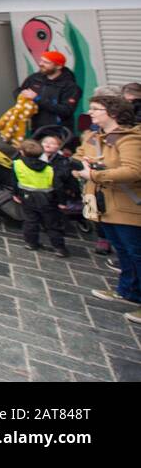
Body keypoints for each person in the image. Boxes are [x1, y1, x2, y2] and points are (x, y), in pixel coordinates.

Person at [72, 93, 141, 324]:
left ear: (112, 113)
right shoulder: (93, 137)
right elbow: (78, 156)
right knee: (122, 250)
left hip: (127, 205)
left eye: (95, 109)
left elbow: (134, 171)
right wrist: (79, 166)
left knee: (137, 253)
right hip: (103, 204)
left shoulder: (130, 139)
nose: (90, 113)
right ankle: (128, 291)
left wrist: (94, 173)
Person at [11, 140, 69, 257]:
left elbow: (14, 181)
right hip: (47, 199)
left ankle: (31, 243)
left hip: (27, 197)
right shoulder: (49, 169)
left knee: (30, 221)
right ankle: (59, 248)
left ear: (21, 152)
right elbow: (58, 186)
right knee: (52, 224)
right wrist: (62, 202)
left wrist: (15, 194)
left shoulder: (17, 164)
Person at [16, 51, 82, 137]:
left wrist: (37, 99)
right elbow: (19, 91)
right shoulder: (35, 78)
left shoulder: (70, 86)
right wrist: (22, 96)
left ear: (58, 66)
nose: (41, 64)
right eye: (41, 60)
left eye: (46, 62)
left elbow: (66, 110)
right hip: (35, 129)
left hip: (58, 132)